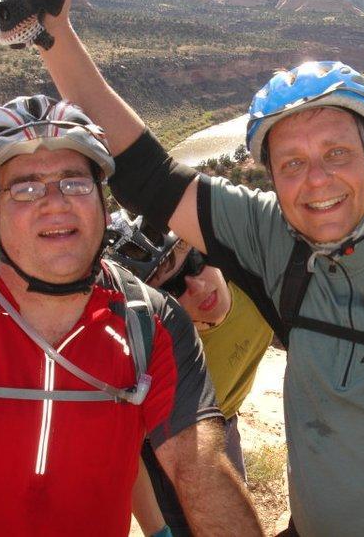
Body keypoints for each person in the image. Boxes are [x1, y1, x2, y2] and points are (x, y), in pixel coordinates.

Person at [15, 2, 364, 535]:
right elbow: (150, 177)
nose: (317, 182)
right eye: (292, 164)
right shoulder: (277, 241)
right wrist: (54, 33)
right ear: (274, 180)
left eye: (336, 154)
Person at [0, 94, 262, 536]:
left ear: (104, 205)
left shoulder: (153, 324)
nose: (55, 202)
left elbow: (200, 468)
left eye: (75, 182)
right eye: (25, 188)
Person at [105, 211, 273, 536]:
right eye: (172, 286)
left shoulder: (258, 286)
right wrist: (156, 530)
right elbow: (129, 452)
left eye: (194, 262)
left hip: (224, 417)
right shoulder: (151, 347)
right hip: (165, 443)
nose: (197, 286)